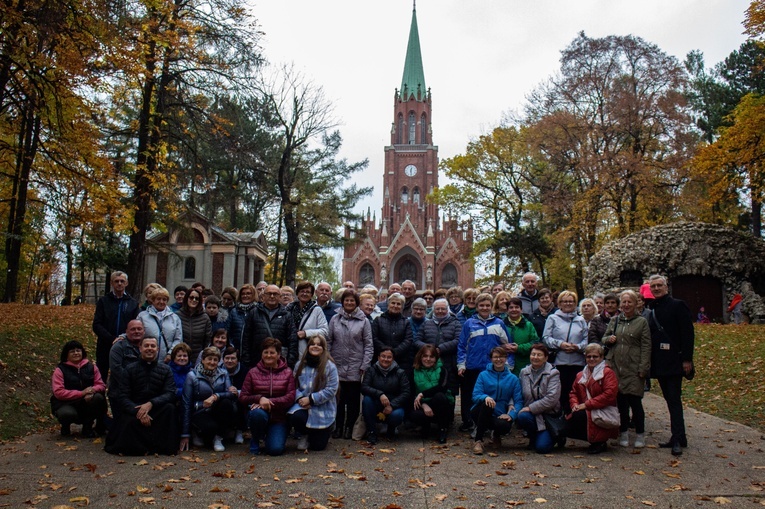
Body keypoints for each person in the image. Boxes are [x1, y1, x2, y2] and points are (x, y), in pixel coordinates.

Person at [105, 337, 179, 455]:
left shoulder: (166, 370)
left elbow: (170, 393)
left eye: (153, 346)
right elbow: (123, 396)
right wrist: (139, 412)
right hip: (135, 409)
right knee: (127, 422)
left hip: (156, 408)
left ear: (158, 349)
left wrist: (151, 404)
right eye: (146, 346)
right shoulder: (129, 369)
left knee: (170, 409)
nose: (149, 349)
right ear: (140, 348)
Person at [647, 275, 695, 456]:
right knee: (669, 399)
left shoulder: (677, 305)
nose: (657, 288)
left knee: (674, 400)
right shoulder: (652, 308)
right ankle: (680, 435)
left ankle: (677, 438)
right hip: (660, 362)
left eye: (660, 285)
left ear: (666, 287)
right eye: (654, 286)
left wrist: (687, 359)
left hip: (675, 361)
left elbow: (687, 333)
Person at [602, 290, 651, 449]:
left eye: (630, 302)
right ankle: (623, 432)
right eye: (624, 302)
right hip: (616, 366)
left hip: (634, 367)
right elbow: (604, 338)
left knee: (636, 402)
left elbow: (646, 346)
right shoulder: (615, 320)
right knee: (621, 402)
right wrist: (609, 339)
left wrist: (643, 367)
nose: (626, 305)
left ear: (636, 303)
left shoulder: (641, 322)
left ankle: (640, 434)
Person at [456, 293, 512, 433]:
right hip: (472, 366)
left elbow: (507, 346)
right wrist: (461, 365)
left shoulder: (499, 323)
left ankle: (489, 424)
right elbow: (462, 345)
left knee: (490, 396)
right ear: (477, 306)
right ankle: (471, 422)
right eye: (481, 305)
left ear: (492, 306)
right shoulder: (469, 323)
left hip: (492, 368)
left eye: (487, 305)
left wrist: (509, 364)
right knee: (470, 396)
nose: (485, 308)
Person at [327, 289, 374, 439]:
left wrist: (364, 364)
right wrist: (328, 359)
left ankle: (349, 427)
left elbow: (368, 344)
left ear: (356, 303)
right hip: (337, 364)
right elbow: (328, 340)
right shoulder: (335, 319)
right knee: (338, 400)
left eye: (352, 301)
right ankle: (338, 426)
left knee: (353, 401)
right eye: (346, 300)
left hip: (356, 365)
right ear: (342, 302)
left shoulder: (364, 321)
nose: (349, 303)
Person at [239, 338, 296, 455]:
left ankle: (271, 436)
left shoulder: (288, 372)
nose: (268, 355)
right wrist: (259, 398)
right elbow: (243, 396)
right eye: (266, 352)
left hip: (279, 418)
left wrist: (267, 403)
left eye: (272, 352)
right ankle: (255, 438)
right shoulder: (252, 372)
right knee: (257, 414)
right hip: (259, 414)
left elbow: (290, 397)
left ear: (279, 354)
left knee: (275, 450)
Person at [179, 347, 238, 452]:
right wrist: (185, 434)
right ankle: (197, 431)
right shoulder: (192, 376)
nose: (212, 362)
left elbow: (231, 394)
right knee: (210, 427)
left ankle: (218, 438)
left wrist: (216, 396)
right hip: (199, 411)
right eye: (209, 359)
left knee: (227, 404)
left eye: (215, 359)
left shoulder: (223, 374)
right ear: (203, 359)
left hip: (217, 409)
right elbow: (186, 403)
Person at [288, 336, 339, 451]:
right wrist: (300, 399)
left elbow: (331, 389)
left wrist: (311, 399)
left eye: (319, 344)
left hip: (322, 408)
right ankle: (304, 433)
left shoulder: (330, 366)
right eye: (312, 344)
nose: (315, 346)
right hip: (302, 405)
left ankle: (326, 429)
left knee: (317, 447)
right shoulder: (299, 365)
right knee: (295, 416)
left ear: (323, 348)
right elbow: (292, 385)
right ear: (308, 347)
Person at [567, 343, 619, 454]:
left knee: (581, 416)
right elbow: (573, 393)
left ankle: (599, 442)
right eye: (588, 356)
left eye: (595, 356)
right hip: (585, 409)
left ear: (601, 357)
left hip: (602, 409)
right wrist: (574, 405)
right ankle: (593, 440)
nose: (591, 359)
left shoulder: (608, 373)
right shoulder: (580, 375)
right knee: (572, 419)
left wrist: (587, 405)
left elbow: (609, 395)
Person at [470, 347, 523, 455]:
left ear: (506, 358)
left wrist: (511, 415)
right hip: (480, 410)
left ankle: (496, 435)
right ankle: (478, 440)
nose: (498, 360)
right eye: (495, 357)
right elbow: (475, 395)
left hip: (500, 414)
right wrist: (485, 397)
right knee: (488, 403)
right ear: (491, 359)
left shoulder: (513, 379)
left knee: (505, 426)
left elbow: (518, 401)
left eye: (501, 357)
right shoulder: (483, 375)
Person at [543, 290, 587, 413]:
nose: (568, 304)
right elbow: (546, 338)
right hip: (559, 363)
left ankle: (574, 418)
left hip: (577, 363)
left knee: (575, 393)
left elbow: (586, 341)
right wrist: (560, 344)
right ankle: (560, 420)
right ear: (559, 303)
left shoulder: (581, 320)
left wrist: (577, 347)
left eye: (571, 301)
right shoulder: (552, 318)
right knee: (560, 393)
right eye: (565, 301)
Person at [51, 341, 107, 437]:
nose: (76, 353)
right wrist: (81, 393)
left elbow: (101, 385)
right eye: (72, 351)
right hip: (66, 403)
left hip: (86, 401)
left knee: (98, 398)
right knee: (67, 414)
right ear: (66, 354)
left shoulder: (92, 367)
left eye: (78, 350)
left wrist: (91, 391)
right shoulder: (60, 370)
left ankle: (87, 427)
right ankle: (65, 426)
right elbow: (58, 392)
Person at [92, 271, 139, 383]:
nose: (119, 284)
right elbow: (97, 324)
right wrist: (111, 338)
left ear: (126, 283)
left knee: (122, 376)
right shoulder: (103, 302)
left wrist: (125, 337)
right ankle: (100, 398)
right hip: (105, 344)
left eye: (122, 281)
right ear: (112, 283)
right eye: (116, 281)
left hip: (125, 345)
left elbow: (135, 324)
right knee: (101, 376)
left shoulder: (132, 303)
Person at [517, 344, 562, 454]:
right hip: (532, 416)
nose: (535, 357)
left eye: (539, 355)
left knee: (542, 448)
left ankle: (557, 436)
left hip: (548, 415)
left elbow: (552, 398)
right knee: (522, 416)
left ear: (546, 358)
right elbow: (519, 393)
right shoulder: (524, 372)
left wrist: (531, 408)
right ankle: (534, 437)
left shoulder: (553, 373)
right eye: (533, 354)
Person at [361, 348, 411, 445]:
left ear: (393, 359)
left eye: (389, 357)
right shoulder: (371, 370)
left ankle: (391, 429)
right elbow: (364, 387)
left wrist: (392, 405)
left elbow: (406, 392)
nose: (386, 359)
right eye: (383, 356)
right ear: (378, 357)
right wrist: (380, 394)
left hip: (394, 405)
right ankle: (372, 432)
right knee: (367, 400)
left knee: (397, 415)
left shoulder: (400, 372)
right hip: (376, 403)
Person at [415, 298, 461, 400]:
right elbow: (417, 340)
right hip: (429, 365)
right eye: (437, 309)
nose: (440, 311)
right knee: (431, 392)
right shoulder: (426, 323)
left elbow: (458, 340)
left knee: (449, 393)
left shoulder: (455, 323)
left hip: (449, 363)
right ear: (433, 310)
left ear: (448, 309)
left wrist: (440, 349)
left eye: (443, 309)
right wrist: (429, 350)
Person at [242, 284, 296, 368]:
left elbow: (292, 340)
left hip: (279, 364)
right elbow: (246, 338)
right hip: (256, 361)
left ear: (279, 297)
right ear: (263, 296)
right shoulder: (253, 313)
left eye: (275, 294)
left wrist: (289, 362)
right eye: (269, 293)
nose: (272, 296)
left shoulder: (287, 315)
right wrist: (247, 360)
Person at [411, 345, 454, 444]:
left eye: (431, 356)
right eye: (425, 356)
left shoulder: (443, 370)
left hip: (441, 403)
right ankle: (425, 427)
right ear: (420, 357)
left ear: (436, 358)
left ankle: (442, 429)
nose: (428, 359)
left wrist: (422, 394)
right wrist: (423, 404)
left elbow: (442, 388)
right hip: (423, 403)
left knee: (440, 396)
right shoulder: (413, 371)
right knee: (414, 414)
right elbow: (411, 392)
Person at [108, 319, 145, 420]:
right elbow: (116, 370)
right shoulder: (118, 347)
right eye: (133, 329)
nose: (136, 331)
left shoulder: (147, 348)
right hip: (120, 393)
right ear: (126, 332)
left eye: (139, 329)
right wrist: (134, 385)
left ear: (144, 331)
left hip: (142, 393)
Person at [288, 281, 329, 367]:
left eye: (308, 292)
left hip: (307, 352)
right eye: (302, 291)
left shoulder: (317, 310)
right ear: (297, 293)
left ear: (312, 295)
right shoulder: (289, 309)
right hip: (289, 351)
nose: (304, 294)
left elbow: (325, 331)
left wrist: (306, 333)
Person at [137, 286, 182, 362]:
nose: (161, 302)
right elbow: (137, 334)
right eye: (158, 299)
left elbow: (178, 338)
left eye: (164, 299)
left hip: (167, 360)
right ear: (153, 300)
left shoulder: (175, 318)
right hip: (147, 358)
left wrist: (170, 353)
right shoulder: (142, 316)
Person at [504, 297, 539, 375]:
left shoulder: (528, 325)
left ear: (521, 309)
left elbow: (535, 342)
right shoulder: (501, 325)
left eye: (517, 307)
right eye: (511, 307)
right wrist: (504, 347)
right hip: (505, 365)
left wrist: (519, 348)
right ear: (507, 310)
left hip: (524, 364)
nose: (514, 309)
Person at [177, 287, 212, 362]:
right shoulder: (177, 315)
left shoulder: (205, 318)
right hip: (181, 357)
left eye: (197, 298)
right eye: (191, 297)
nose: (194, 300)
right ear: (186, 298)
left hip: (198, 358)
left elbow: (208, 340)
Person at [222, 346, 246, 445]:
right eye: (227, 358)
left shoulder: (245, 371)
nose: (230, 361)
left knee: (242, 400)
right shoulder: (218, 370)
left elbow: (248, 389)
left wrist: (238, 392)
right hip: (224, 398)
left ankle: (239, 431)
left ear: (238, 360)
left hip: (239, 399)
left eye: (233, 358)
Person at [226, 284, 256, 353]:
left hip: (252, 351)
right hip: (235, 350)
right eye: (243, 294)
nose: (245, 296)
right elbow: (228, 331)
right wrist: (231, 345)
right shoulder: (234, 312)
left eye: (248, 293)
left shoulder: (257, 311)